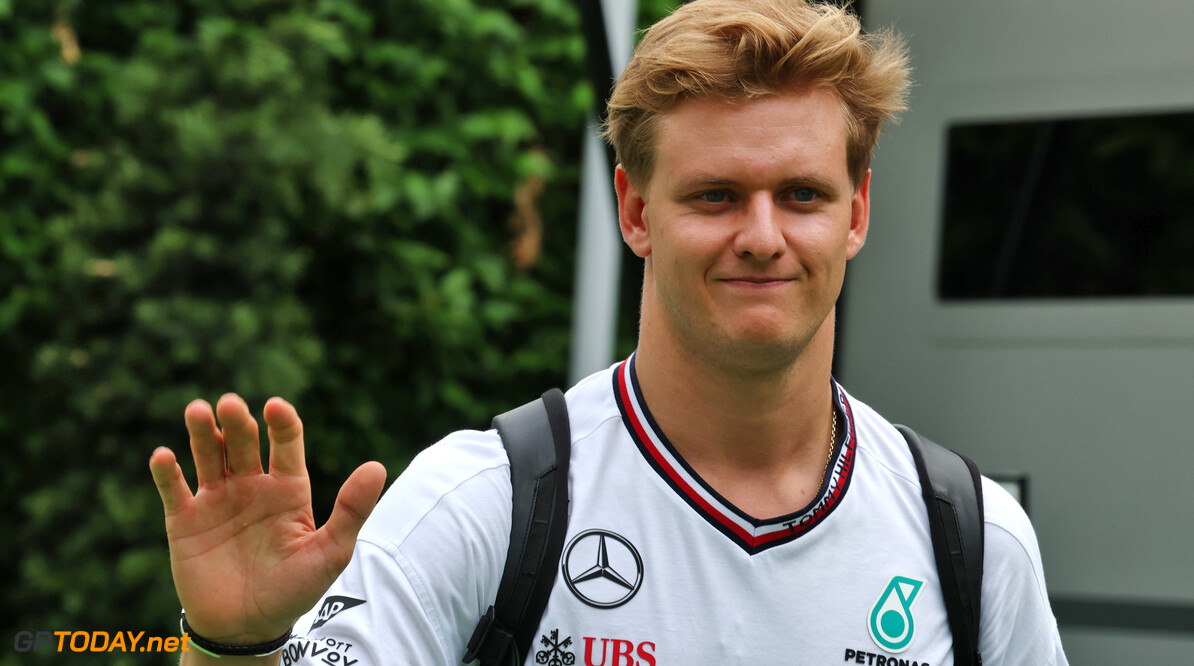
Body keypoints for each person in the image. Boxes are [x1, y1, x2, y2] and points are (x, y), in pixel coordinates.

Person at [149, 0, 1069, 664]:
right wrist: (236, 648)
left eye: (802, 195)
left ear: (857, 211)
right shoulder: (484, 507)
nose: (761, 235)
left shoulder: (974, 539)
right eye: (714, 195)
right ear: (635, 210)